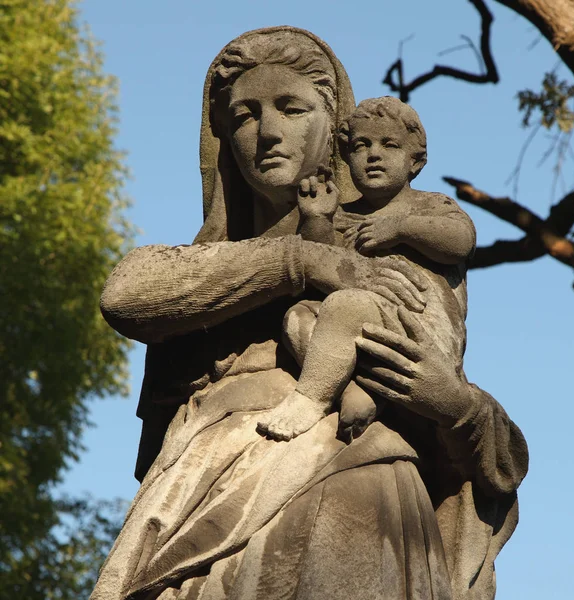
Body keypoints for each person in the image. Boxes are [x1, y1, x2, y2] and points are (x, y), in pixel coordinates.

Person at [91, 27, 528, 600]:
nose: (267, 132)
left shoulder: (391, 244)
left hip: (359, 489)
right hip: (200, 494)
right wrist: (298, 260)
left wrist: (456, 406)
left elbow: (499, 461)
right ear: (221, 137)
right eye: (244, 116)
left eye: (291, 108)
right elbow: (124, 294)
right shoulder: (208, 266)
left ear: (334, 128)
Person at [260, 96, 476, 443]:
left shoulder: (430, 205)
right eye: (361, 146)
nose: (373, 154)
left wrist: (400, 228)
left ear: (415, 160)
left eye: (389, 145)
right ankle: (353, 389)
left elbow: (460, 240)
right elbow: (320, 272)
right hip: (355, 329)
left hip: (420, 328)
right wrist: (317, 219)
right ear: (347, 158)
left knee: (347, 305)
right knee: (297, 317)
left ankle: (310, 397)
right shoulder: (344, 215)